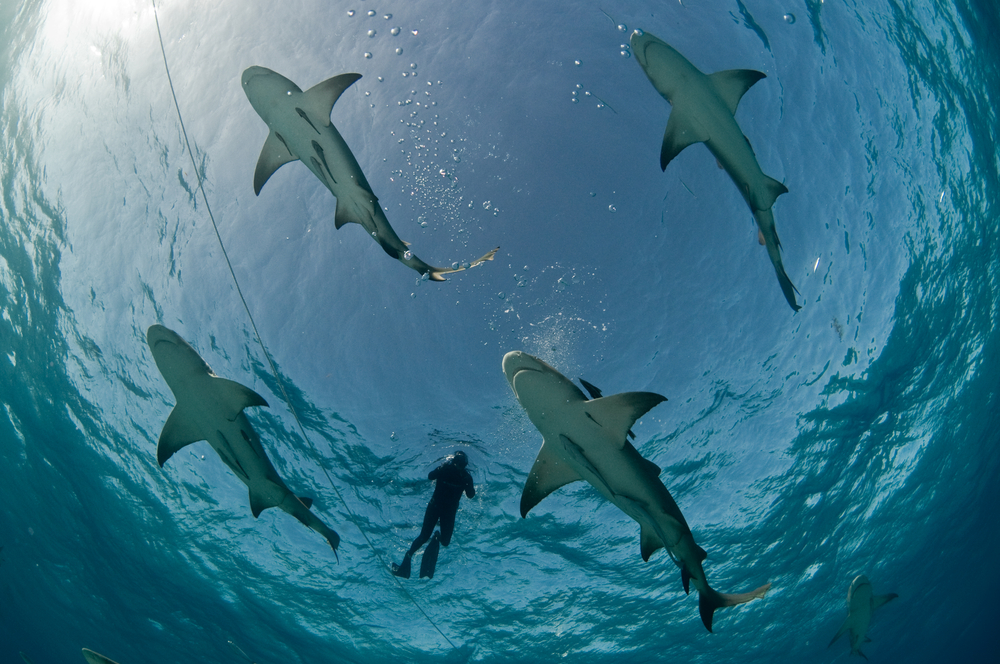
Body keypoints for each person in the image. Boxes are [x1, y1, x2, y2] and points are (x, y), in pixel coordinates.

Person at [392, 451, 476, 579]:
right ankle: (408, 557)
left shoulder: (461, 475)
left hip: (444, 510)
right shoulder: (456, 473)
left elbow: (431, 476)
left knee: (443, 541)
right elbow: (470, 495)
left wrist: (467, 482)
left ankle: (435, 537)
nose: (458, 466)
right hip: (436, 508)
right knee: (425, 537)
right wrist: (467, 482)